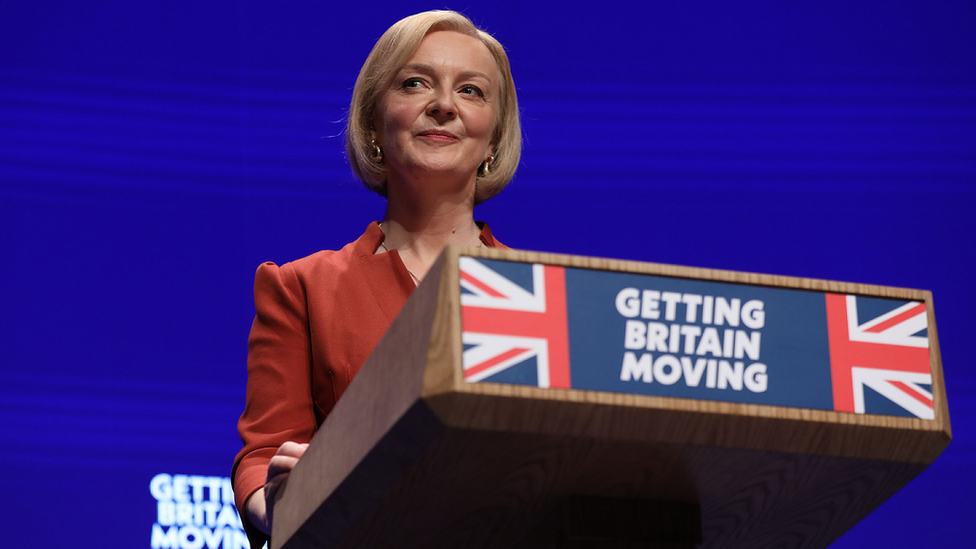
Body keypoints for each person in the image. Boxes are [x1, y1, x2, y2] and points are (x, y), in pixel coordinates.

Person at [231, 10, 521, 547]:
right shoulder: (302, 287)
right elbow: (265, 453)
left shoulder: (543, 295)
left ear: (494, 141)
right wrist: (278, 504)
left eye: (472, 91)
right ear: (373, 124)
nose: (444, 105)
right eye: (415, 83)